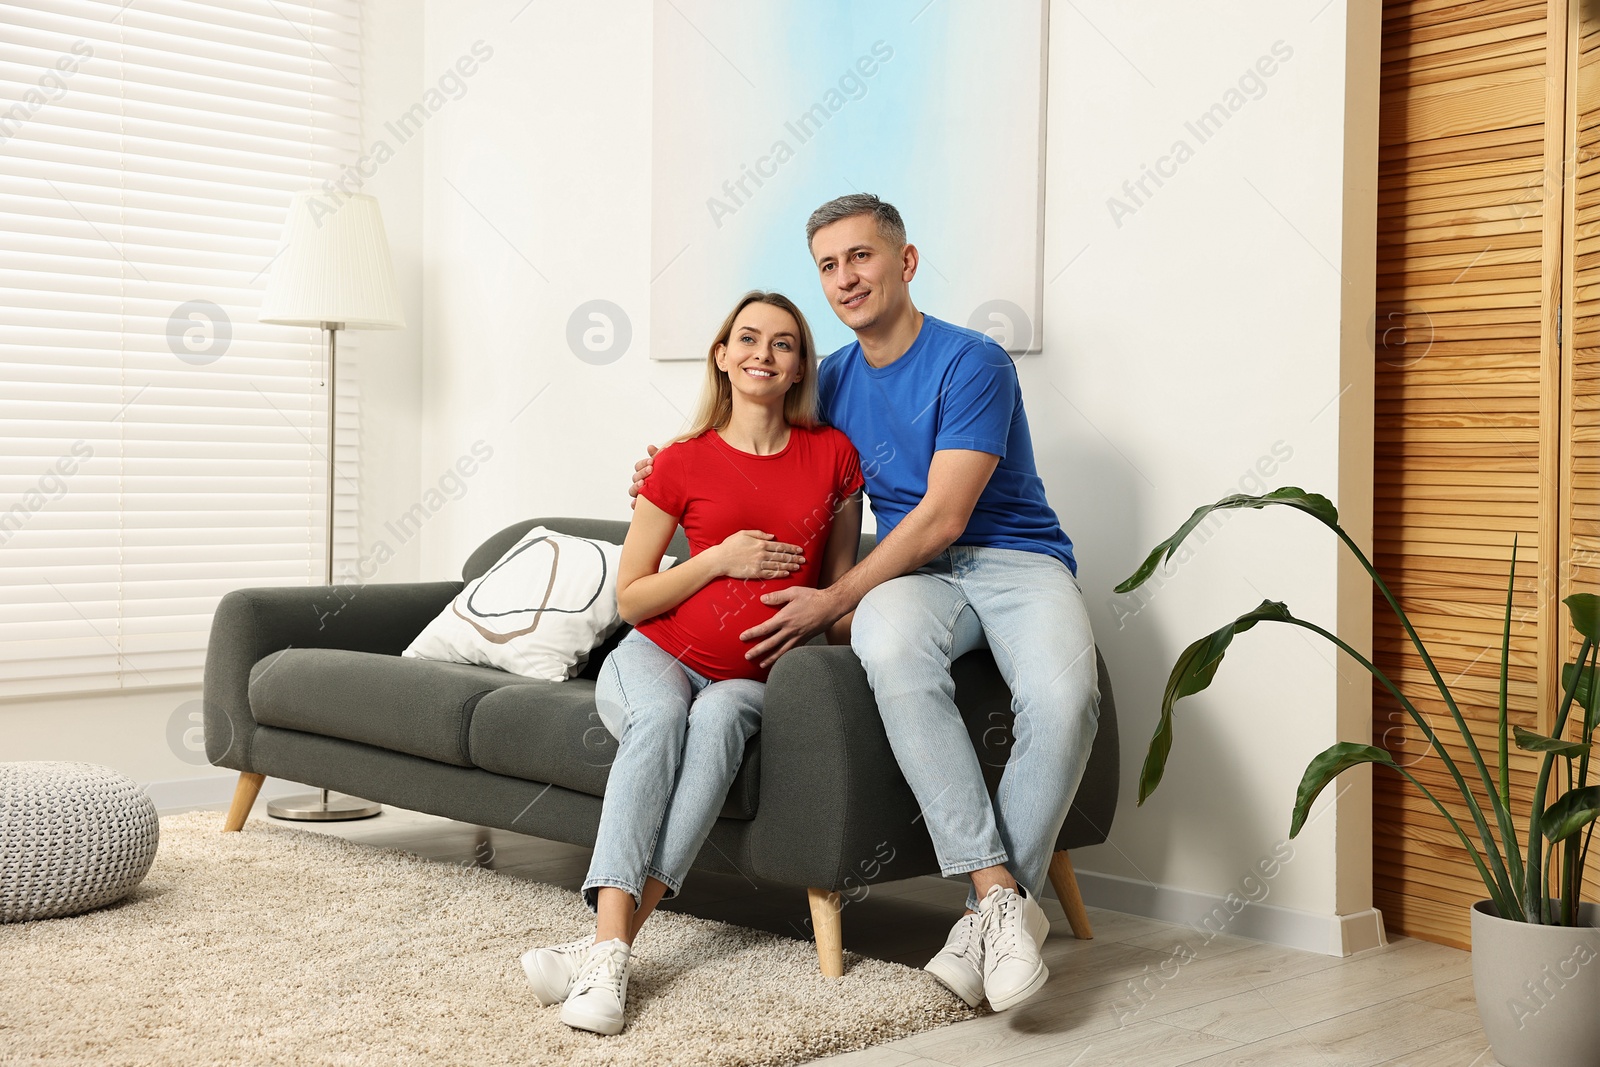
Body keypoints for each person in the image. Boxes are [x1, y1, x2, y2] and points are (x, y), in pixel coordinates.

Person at [631, 195, 1098, 1013]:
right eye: (828, 266)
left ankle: (983, 919)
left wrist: (835, 598)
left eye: (861, 257)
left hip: (1015, 560)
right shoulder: (832, 380)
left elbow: (947, 515)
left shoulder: (973, 360)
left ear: (905, 262)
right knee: (887, 650)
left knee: (1068, 698)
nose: (845, 278)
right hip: (912, 576)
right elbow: (751, 441)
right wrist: (662, 470)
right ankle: (997, 897)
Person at [522, 291, 864, 1035]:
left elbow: (839, 594)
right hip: (656, 655)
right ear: (720, 353)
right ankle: (612, 954)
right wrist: (717, 558)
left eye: (782, 344)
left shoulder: (833, 455)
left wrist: (838, 671)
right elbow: (635, 598)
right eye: (747, 339)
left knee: (714, 725)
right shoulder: (680, 461)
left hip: (754, 680)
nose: (762, 355)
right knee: (663, 717)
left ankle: (601, 950)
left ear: (801, 364)